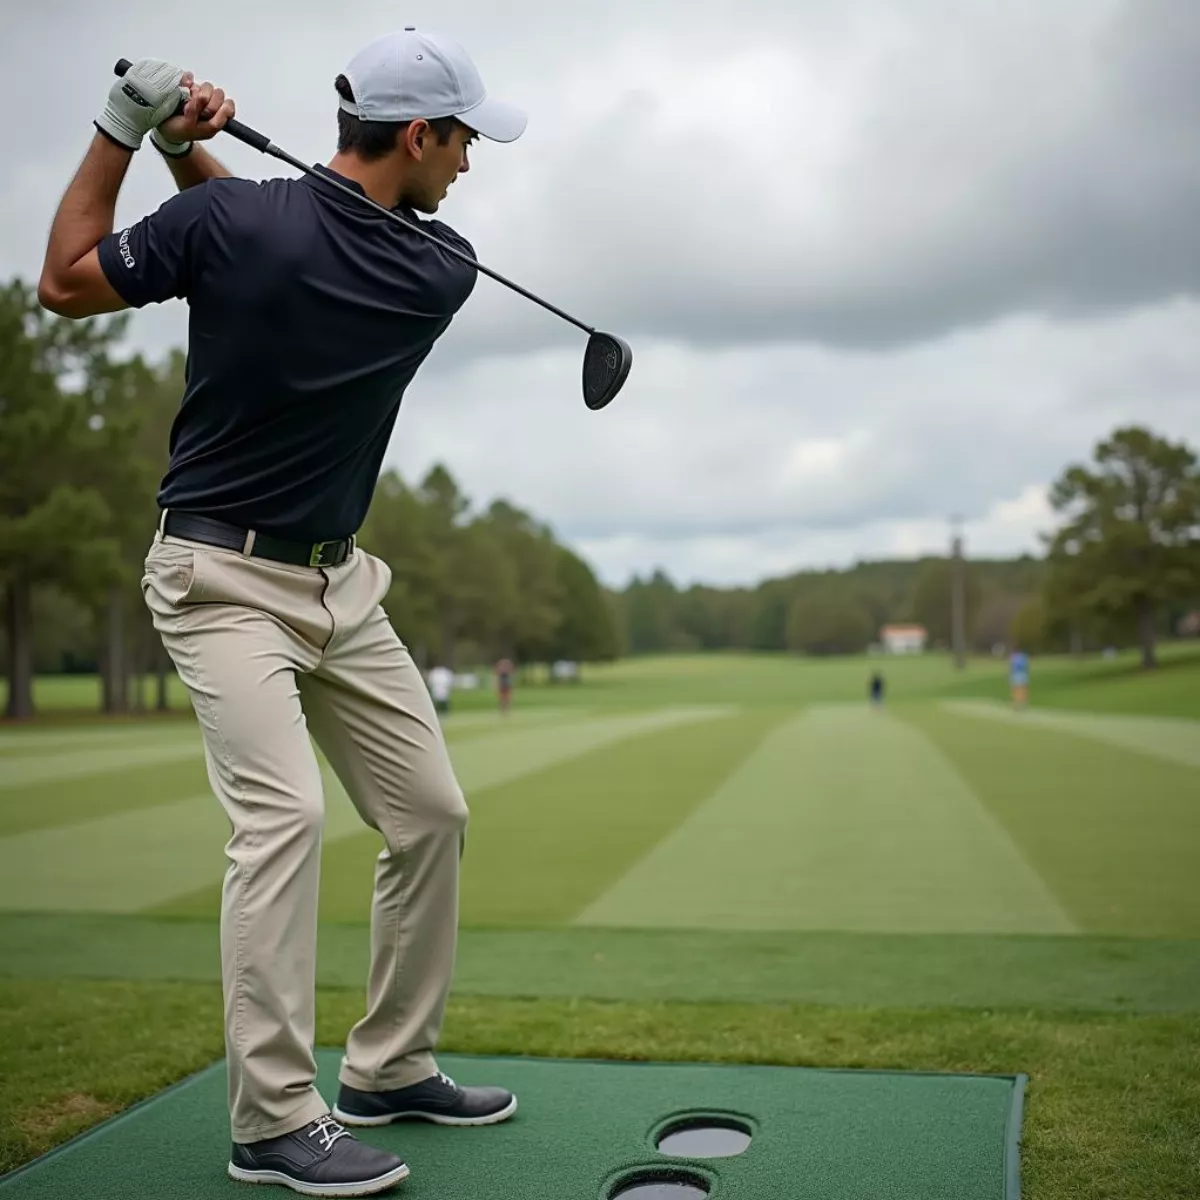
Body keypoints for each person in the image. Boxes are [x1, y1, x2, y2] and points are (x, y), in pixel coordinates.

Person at [38, 31, 526, 1197]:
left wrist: (136, 130)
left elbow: (85, 274)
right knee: (284, 823)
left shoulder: (312, 241)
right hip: (219, 582)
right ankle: (272, 1120)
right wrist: (168, 147)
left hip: (340, 589)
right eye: (462, 140)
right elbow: (225, 249)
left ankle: (390, 1065)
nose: (468, 164)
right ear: (418, 136)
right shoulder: (426, 264)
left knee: (431, 815)